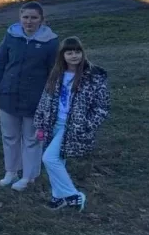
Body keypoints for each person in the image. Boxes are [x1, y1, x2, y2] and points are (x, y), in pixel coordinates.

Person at [0, 1, 59, 191]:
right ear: (20, 18)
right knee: (9, 136)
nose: (29, 21)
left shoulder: (50, 42)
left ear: (41, 20)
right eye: (25, 17)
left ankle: (29, 176)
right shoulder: (11, 36)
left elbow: (54, 73)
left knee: (32, 139)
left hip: (35, 99)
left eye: (34, 17)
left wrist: (50, 99)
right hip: (8, 95)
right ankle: (11, 171)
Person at [34, 37, 110, 212]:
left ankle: (72, 195)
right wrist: (39, 123)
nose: (74, 55)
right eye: (69, 52)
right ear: (63, 55)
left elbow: (102, 106)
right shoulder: (56, 74)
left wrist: (87, 125)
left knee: (49, 158)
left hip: (74, 126)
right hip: (54, 123)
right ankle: (57, 196)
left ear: (83, 53)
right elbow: (45, 100)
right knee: (58, 159)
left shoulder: (93, 76)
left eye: (77, 52)